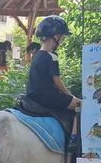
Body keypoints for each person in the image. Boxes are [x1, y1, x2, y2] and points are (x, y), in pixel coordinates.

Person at [22, 15, 82, 148]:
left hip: (32, 95)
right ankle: (74, 139)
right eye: (63, 37)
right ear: (56, 36)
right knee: (81, 105)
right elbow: (57, 82)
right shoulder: (52, 56)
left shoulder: (36, 54)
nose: (63, 40)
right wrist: (70, 96)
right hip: (48, 96)